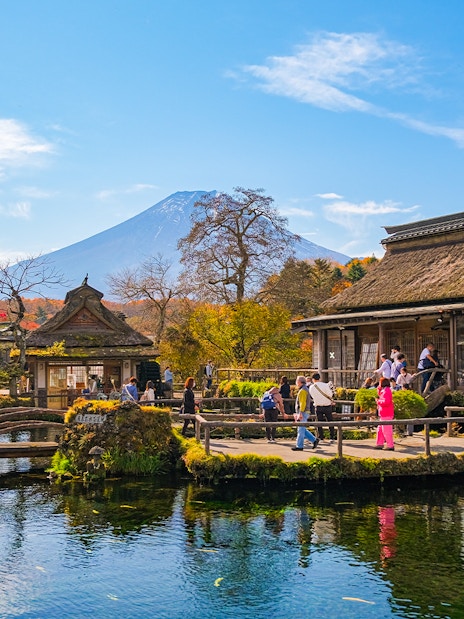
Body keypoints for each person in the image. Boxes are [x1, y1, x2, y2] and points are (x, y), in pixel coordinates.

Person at [291, 375, 319, 451]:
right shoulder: (305, 389)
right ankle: (314, 440)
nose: (296, 383)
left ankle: (299, 446)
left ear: (299, 382)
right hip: (304, 412)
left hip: (303, 412)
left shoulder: (303, 390)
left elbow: (302, 403)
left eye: (297, 381)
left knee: (300, 430)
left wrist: (300, 412)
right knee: (302, 429)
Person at [309, 373, 336, 442]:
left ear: (313, 379)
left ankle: (321, 437)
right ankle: (331, 437)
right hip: (327, 405)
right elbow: (330, 394)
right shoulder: (325, 385)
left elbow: (312, 396)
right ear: (319, 378)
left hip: (318, 406)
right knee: (330, 421)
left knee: (319, 422)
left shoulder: (311, 387)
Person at [374, 377, 395, 450]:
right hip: (383, 413)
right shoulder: (385, 390)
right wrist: (378, 390)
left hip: (386, 413)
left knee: (386, 430)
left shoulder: (386, 391)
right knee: (380, 430)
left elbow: (386, 402)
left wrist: (378, 401)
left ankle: (390, 445)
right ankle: (379, 443)